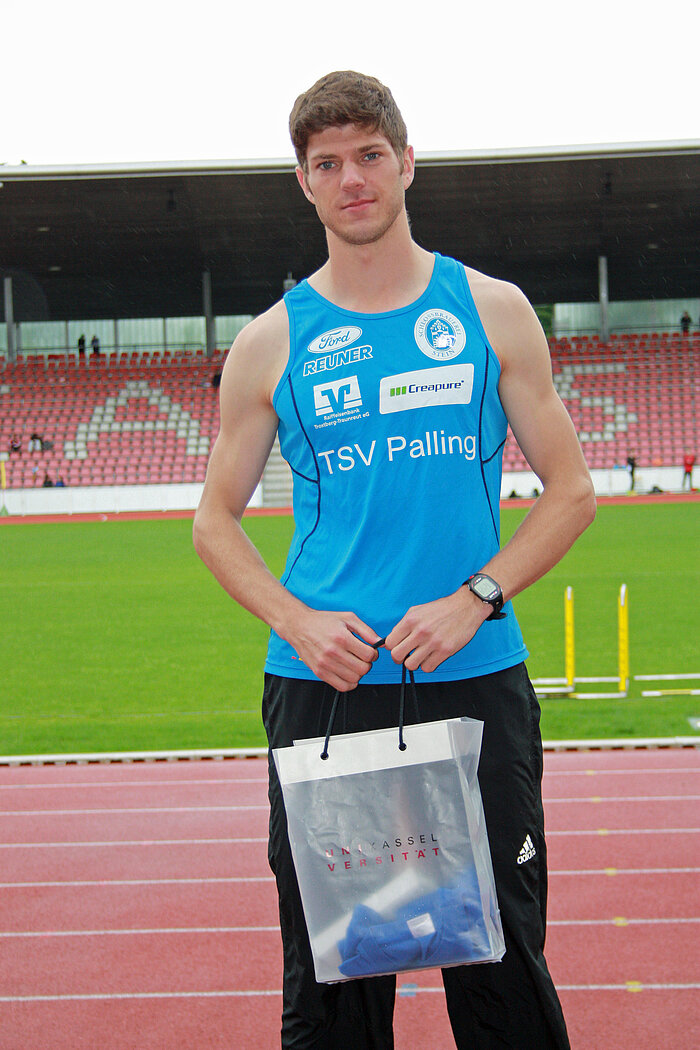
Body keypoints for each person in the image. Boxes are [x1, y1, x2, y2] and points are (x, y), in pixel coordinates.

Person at [193, 70, 595, 1050]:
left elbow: (573, 492)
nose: (351, 178)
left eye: (369, 154)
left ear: (406, 163)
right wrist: (297, 620)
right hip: (327, 688)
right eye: (325, 163)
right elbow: (214, 519)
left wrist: (476, 595)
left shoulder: (493, 310)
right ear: (305, 185)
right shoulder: (269, 344)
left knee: (498, 964)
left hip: (470, 675)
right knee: (338, 981)